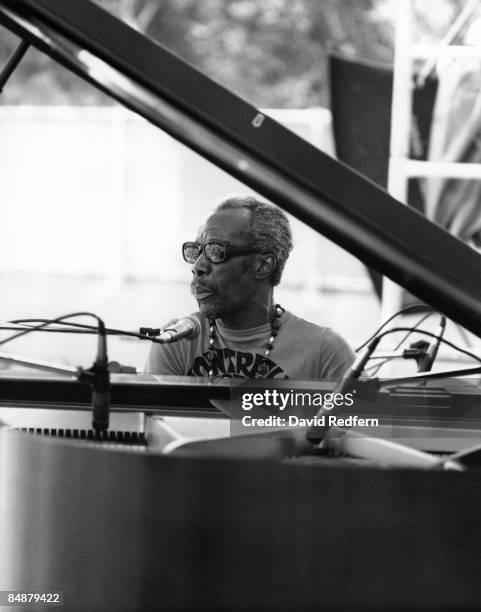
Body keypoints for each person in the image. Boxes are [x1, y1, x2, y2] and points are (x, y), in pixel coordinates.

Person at [145, 196, 354, 379]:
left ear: (263, 266)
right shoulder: (177, 340)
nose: (197, 266)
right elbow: (154, 421)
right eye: (196, 252)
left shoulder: (325, 353)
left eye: (215, 251)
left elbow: (363, 422)